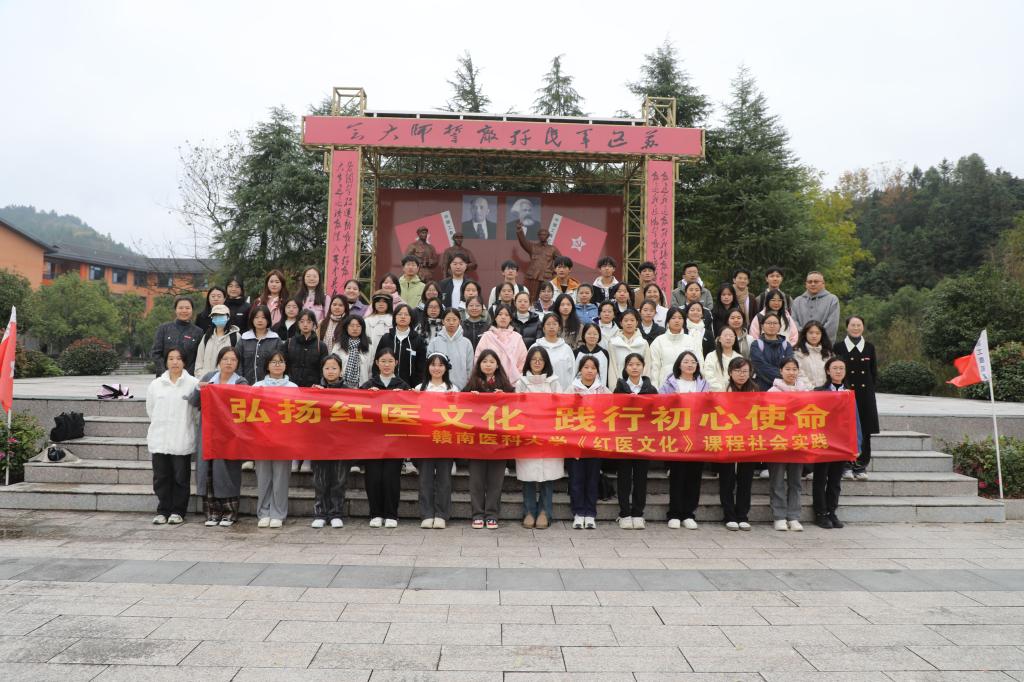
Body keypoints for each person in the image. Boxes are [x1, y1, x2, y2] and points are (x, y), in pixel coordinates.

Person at [189, 346, 246, 527]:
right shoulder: (208, 378)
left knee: (227, 473)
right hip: (208, 433)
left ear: (237, 363)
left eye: (233, 360)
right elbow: (194, 402)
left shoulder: (241, 382)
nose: (229, 363)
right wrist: (199, 389)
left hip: (229, 436)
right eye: (225, 359)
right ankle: (212, 513)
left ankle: (229, 513)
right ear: (219, 361)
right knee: (208, 472)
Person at [146, 347, 199, 525]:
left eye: (178, 358)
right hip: (160, 438)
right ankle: (163, 510)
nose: (175, 362)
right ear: (166, 362)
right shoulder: (156, 384)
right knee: (161, 477)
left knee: (180, 478)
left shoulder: (193, 384)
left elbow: (196, 414)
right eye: (171, 358)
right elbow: (150, 410)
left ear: (184, 362)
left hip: (181, 437)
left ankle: (178, 511)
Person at [660, 351, 709, 530]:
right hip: (676, 436)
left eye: (693, 362)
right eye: (686, 361)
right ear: (679, 364)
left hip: (697, 435)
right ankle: (674, 513)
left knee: (694, 475)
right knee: (677, 475)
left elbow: (709, 407)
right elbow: (660, 406)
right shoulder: (669, 384)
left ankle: (689, 513)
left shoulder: (703, 385)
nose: (690, 365)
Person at [360, 348, 410, 528]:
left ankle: (391, 514)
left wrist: (402, 397)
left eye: (390, 361)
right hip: (372, 440)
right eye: (383, 361)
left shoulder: (403, 386)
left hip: (395, 441)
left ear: (396, 363)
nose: (386, 365)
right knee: (373, 477)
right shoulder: (368, 385)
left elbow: (412, 412)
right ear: (376, 363)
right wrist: (367, 396)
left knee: (391, 477)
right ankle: (375, 513)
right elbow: (357, 410)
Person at [515, 346, 563, 529]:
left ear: (546, 363)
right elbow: (516, 407)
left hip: (548, 434)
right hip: (527, 433)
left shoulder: (554, 382)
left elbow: (561, 407)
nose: (537, 363)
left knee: (547, 475)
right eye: (534, 359)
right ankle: (528, 511)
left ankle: (545, 512)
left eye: (540, 360)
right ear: (528, 362)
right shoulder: (521, 382)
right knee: (528, 475)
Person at [465, 350, 513, 528]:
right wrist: (469, 398)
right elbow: (458, 407)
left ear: (497, 365)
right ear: (479, 364)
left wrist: (506, 398)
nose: (488, 365)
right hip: (476, 441)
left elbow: (517, 407)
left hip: (498, 441)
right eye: (484, 361)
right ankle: (477, 514)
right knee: (476, 481)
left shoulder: (506, 386)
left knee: (496, 481)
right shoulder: (471, 384)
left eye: (492, 361)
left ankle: (492, 514)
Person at [252, 350, 297, 528]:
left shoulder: (293, 387)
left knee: (281, 478)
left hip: (284, 440)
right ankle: (264, 512)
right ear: (267, 365)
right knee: (263, 477)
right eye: (273, 362)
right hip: (261, 439)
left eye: (281, 361)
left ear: (286, 365)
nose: (277, 365)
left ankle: (278, 513)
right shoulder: (257, 386)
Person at [767, 357, 812, 531]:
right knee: (777, 480)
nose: (791, 372)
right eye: (787, 369)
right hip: (778, 442)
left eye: (794, 369)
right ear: (781, 371)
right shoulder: (772, 391)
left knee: (795, 481)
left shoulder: (806, 391)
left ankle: (794, 516)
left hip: (798, 442)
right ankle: (779, 516)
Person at [814, 357, 860, 529]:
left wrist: (856, 445)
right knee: (820, 479)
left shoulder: (849, 393)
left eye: (841, 368)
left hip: (841, 443)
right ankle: (820, 513)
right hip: (823, 442)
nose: (838, 371)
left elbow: (855, 421)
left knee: (835, 480)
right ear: (828, 371)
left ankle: (832, 511)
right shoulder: (819, 392)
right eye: (835, 368)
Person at [612, 352, 657, 528]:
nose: (634, 367)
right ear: (625, 367)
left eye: (638, 364)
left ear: (643, 367)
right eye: (631, 364)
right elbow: (613, 412)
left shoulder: (651, 389)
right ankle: (624, 513)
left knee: (641, 478)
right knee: (623, 477)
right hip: (624, 439)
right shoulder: (619, 388)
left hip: (644, 440)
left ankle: (638, 513)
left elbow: (657, 414)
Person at [833, 315, 879, 481]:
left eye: (859, 325)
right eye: (852, 325)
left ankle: (860, 466)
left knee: (865, 431)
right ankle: (845, 465)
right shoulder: (838, 347)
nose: (856, 328)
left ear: (863, 327)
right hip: (845, 394)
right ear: (847, 327)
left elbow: (873, 372)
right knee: (844, 429)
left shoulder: (869, 347)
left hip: (865, 395)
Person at [415, 352, 458, 529]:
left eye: (440, 365)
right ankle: (426, 513)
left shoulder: (453, 389)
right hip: (425, 440)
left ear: (446, 368)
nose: (437, 368)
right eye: (433, 364)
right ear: (428, 367)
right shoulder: (419, 388)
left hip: (445, 439)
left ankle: (441, 514)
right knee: (425, 478)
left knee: (444, 479)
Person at [307, 355, 349, 529]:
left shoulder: (350, 392)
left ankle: (336, 513)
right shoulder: (314, 390)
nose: (330, 371)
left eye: (334, 368)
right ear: (322, 370)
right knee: (320, 480)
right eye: (327, 368)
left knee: (339, 480)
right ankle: (320, 513)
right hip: (320, 443)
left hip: (341, 444)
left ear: (340, 370)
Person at [285, 310, 328, 474]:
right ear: (297, 323)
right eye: (302, 321)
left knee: (310, 426)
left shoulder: (320, 345)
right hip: (293, 389)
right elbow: (284, 365)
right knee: (294, 425)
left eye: (309, 321)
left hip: (312, 391)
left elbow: (323, 368)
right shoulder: (289, 343)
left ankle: (308, 458)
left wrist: (320, 386)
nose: (305, 324)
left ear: (314, 325)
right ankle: (295, 456)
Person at [718, 357, 758, 530]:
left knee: (745, 478)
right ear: (730, 372)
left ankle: (742, 515)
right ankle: (729, 515)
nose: (741, 375)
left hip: (748, 439)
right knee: (727, 478)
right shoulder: (723, 389)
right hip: (727, 438)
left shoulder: (756, 390)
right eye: (737, 371)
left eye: (745, 371)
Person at [569, 355, 608, 529]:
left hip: (595, 441)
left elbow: (612, 411)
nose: (589, 371)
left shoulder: (603, 390)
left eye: (593, 368)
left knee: (592, 479)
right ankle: (578, 513)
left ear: (597, 371)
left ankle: (590, 513)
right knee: (577, 479)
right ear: (580, 370)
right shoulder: (571, 388)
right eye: (586, 367)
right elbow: (562, 412)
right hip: (576, 442)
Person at [376, 303, 427, 390]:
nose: (403, 317)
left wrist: (417, 386)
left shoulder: (418, 340)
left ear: (411, 318)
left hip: (410, 388)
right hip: (386, 387)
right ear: (395, 317)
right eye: (399, 314)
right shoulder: (386, 338)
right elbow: (377, 363)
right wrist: (378, 383)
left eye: (406, 314)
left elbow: (421, 367)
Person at [475, 304, 527, 384]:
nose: (503, 317)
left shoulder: (517, 338)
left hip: (513, 382)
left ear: (510, 318)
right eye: (500, 314)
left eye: (506, 315)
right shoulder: (487, 336)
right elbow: (478, 359)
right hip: (489, 382)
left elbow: (523, 360)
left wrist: (517, 377)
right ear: (495, 318)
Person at [152, 296, 203, 375]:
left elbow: (198, 357)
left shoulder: (198, 332)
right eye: (180, 308)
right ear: (175, 310)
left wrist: (186, 375)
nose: (184, 311)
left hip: (188, 377)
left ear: (192, 310)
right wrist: (165, 373)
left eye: (187, 308)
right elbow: (156, 353)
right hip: (165, 377)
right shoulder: (164, 328)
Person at [427, 307, 474, 390]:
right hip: (438, 388)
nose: (451, 323)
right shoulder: (434, 342)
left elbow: (470, 368)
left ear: (459, 321)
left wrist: (467, 386)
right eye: (448, 320)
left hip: (462, 388)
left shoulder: (466, 343)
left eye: (454, 320)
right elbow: (429, 365)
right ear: (443, 321)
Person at [235, 305, 283, 385]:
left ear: (268, 320)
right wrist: (242, 381)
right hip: (246, 385)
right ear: (252, 320)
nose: (260, 320)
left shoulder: (276, 340)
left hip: (269, 385)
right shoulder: (244, 339)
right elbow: (237, 361)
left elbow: (280, 363)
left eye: (263, 317)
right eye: (256, 317)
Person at [530, 312, 576, 393]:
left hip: (563, 393)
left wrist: (568, 391)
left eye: (554, 324)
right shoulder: (535, 347)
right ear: (543, 328)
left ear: (559, 327)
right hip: (539, 393)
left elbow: (572, 372)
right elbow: (528, 370)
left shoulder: (566, 349)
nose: (551, 327)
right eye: (548, 324)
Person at [606, 309, 652, 389]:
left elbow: (647, 366)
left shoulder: (643, 343)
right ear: (621, 323)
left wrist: (644, 386)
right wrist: (614, 388)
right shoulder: (613, 343)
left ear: (637, 323)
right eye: (626, 320)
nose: (629, 323)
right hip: (619, 385)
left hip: (639, 386)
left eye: (632, 320)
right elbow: (612, 368)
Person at [194, 304, 241, 380]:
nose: (218, 318)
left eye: (221, 315)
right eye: (215, 315)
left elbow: (238, 361)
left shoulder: (235, 337)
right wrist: (201, 377)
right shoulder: (206, 336)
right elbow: (199, 360)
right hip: (206, 381)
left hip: (226, 381)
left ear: (228, 317)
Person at [750, 312, 794, 391]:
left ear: (780, 327)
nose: (772, 326)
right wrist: (782, 377)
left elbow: (789, 367)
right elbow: (761, 367)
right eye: (768, 323)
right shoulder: (756, 345)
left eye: (775, 323)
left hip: (783, 389)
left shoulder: (786, 345)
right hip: (762, 387)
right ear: (762, 326)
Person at [791, 271, 840, 341]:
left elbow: (832, 325)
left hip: (824, 344)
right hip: (801, 343)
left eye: (816, 282)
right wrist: (805, 336)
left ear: (823, 284)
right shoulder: (797, 301)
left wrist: (817, 338)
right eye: (810, 282)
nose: (813, 284)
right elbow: (793, 322)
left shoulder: (832, 300)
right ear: (806, 284)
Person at [649, 306, 690, 387]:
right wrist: (654, 388)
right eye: (673, 318)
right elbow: (654, 368)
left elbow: (699, 363)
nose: (677, 321)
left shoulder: (691, 340)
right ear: (668, 321)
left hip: (688, 386)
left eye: (680, 318)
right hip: (665, 386)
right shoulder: (658, 341)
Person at [517, 226, 561, 301]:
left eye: (544, 234)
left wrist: (554, 272)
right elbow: (523, 242)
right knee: (531, 297)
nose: (542, 236)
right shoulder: (533, 247)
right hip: (534, 276)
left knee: (546, 297)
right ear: (538, 236)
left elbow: (560, 261)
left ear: (548, 236)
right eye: (540, 234)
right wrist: (520, 231)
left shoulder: (552, 249)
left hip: (546, 277)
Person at [334, 314, 373, 388]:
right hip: (341, 386)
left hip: (362, 386)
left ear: (362, 328)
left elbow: (371, 370)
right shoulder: (338, 346)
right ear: (346, 327)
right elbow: (333, 365)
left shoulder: (369, 347)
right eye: (352, 326)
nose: (355, 329)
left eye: (358, 326)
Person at [794, 321, 833, 390]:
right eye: (811, 333)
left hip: (827, 391)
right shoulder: (798, 353)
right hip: (806, 391)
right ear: (805, 334)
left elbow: (832, 373)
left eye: (817, 333)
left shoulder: (828, 353)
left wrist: (825, 388)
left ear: (822, 335)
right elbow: (799, 374)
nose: (814, 336)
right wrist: (813, 388)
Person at [704, 327, 742, 393]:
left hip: (736, 394)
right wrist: (723, 391)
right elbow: (708, 377)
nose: (728, 338)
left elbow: (742, 377)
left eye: (731, 336)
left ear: (735, 339)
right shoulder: (711, 356)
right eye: (725, 335)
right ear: (719, 339)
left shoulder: (739, 357)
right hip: (716, 394)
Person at [574, 322, 609, 386]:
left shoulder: (604, 353)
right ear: (584, 335)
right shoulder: (576, 352)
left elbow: (605, 375)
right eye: (589, 334)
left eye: (595, 334)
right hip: (579, 388)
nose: (592, 336)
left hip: (599, 389)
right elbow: (573, 374)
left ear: (599, 336)